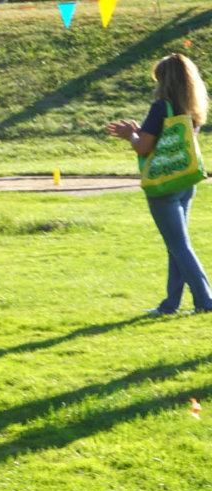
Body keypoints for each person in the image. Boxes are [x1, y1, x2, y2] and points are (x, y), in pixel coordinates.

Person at [107, 54, 212, 315]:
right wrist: (138, 133)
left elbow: (143, 147)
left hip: (163, 184)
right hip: (185, 180)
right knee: (176, 245)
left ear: (165, 80)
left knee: (179, 246)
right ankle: (170, 305)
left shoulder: (161, 107)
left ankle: (205, 301)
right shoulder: (192, 109)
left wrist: (130, 135)